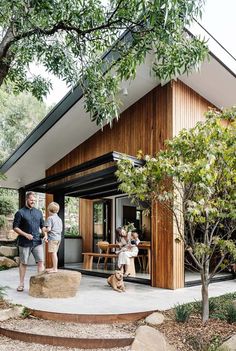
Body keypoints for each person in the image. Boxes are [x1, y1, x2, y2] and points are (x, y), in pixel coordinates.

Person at [13, 191, 47, 292]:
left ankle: (40, 284)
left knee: (41, 262)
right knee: (23, 263)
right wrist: (25, 234)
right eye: (31, 200)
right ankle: (21, 284)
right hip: (24, 243)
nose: (33, 202)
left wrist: (45, 234)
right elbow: (15, 227)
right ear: (27, 199)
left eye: (34, 200)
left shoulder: (39, 212)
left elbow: (43, 226)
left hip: (37, 242)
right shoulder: (20, 213)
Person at [44, 202, 63, 273]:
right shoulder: (59, 219)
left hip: (53, 238)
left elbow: (48, 229)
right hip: (58, 238)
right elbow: (60, 229)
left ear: (49, 210)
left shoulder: (50, 218)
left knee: (53, 253)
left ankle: (55, 269)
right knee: (54, 253)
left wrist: (43, 230)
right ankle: (54, 267)